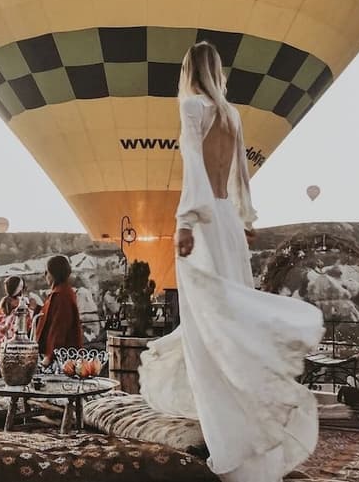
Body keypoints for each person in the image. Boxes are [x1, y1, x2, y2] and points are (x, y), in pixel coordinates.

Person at [139, 41, 324, 482]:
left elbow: (193, 170)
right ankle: (244, 425)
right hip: (226, 221)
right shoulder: (231, 113)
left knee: (208, 328)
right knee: (231, 322)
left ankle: (228, 439)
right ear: (218, 70)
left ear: (188, 71)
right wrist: (243, 216)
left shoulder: (192, 107)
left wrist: (185, 221)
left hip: (203, 222)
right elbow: (239, 171)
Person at [34, 255, 83, 368]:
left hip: (62, 359)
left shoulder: (61, 295)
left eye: (46, 271)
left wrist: (49, 357)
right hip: (61, 355)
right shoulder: (62, 292)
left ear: (52, 273)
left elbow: (59, 328)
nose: (45, 275)